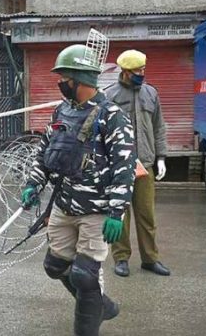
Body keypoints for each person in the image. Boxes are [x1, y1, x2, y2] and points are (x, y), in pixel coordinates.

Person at [21, 44, 136, 336]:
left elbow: (125, 166)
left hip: (96, 211)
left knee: (86, 276)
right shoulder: (62, 110)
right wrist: (34, 182)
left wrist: (116, 211)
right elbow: (48, 150)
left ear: (79, 79)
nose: (60, 83)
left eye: (64, 78)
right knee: (54, 265)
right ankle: (102, 306)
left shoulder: (112, 116)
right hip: (64, 204)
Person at [105, 49, 171, 277]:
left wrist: (161, 157)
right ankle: (121, 258)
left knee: (147, 215)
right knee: (120, 215)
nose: (142, 74)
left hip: (145, 164)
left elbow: (159, 127)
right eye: (137, 71)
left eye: (143, 69)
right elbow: (103, 131)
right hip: (118, 166)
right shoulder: (110, 96)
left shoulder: (151, 94)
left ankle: (150, 259)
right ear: (125, 72)